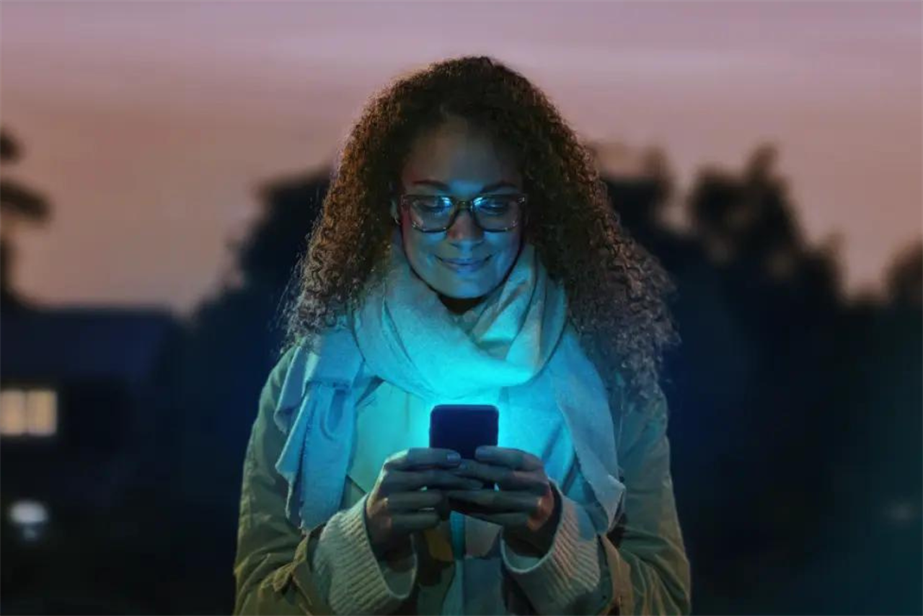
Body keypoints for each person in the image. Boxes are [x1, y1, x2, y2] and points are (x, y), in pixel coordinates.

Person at [232, 56, 691, 616]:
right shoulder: (310, 383)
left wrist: (555, 535)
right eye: (432, 203)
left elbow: (666, 602)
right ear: (391, 207)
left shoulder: (613, 377)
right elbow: (256, 603)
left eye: (494, 204)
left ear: (531, 208)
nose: (464, 233)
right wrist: (365, 538)